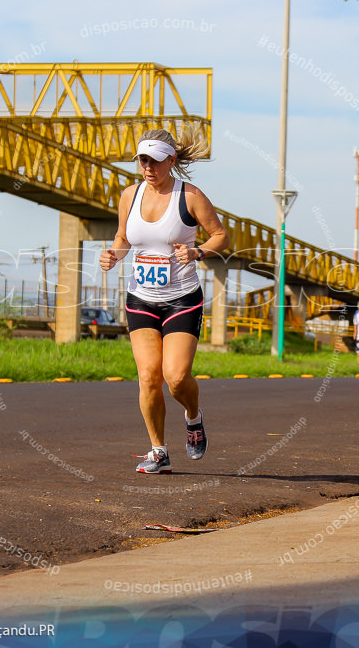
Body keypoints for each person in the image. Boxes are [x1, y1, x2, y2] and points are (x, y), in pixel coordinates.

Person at [99, 129, 228, 474]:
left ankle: (193, 416)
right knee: (148, 377)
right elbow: (124, 238)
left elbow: (221, 235)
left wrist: (198, 251)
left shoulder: (190, 196)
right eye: (143, 159)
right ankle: (158, 451)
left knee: (176, 376)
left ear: (171, 161)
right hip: (141, 298)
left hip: (181, 299)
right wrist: (114, 254)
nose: (148, 167)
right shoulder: (130, 194)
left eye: (155, 160)